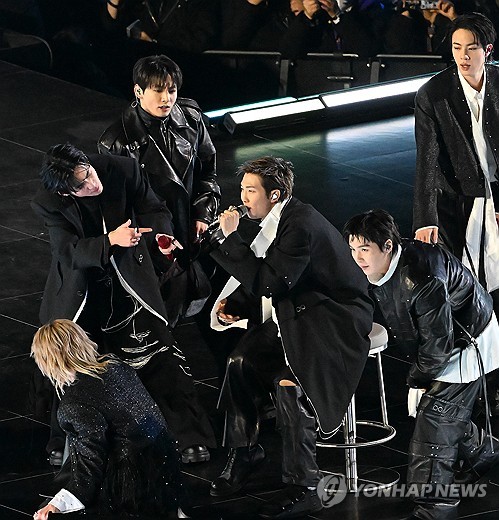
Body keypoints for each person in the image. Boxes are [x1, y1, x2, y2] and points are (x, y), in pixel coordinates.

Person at [206, 156, 373, 519]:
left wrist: (232, 238)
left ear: (275, 195)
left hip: (334, 316)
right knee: (239, 361)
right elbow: (272, 272)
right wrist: (238, 305)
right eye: (243, 189)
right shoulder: (278, 220)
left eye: (251, 191)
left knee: (289, 384)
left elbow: (271, 281)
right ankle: (244, 451)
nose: (243, 198)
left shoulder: (300, 224)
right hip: (299, 307)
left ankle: (305, 486)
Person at [31, 143, 216, 465]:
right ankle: (66, 439)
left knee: (159, 353)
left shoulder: (122, 169)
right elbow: (67, 252)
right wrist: (109, 242)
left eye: (88, 173)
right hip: (81, 289)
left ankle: (190, 437)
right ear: (65, 193)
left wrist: (159, 238)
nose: (93, 184)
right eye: (81, 185)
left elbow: (154, 209)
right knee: (70, 365)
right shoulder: (48, 201)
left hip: (130, 278)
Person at [344, 208, 499, 520]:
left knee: (435, 421)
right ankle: (483, 452)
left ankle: (435, 506)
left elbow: (438, 345)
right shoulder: (390, 265)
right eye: (353, 249)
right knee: (444, 414)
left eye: (365, 249)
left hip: (468, 340)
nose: (357, 257)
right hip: (445, 341)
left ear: (388, 245)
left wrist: (418, 379)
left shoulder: (420, 278)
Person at [98, 54, 221, 325]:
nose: (166, 98)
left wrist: (203, 213)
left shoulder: (191, 118)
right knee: (156, 316)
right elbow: (118, 209)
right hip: (151, 240)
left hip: (189, 228)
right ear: (138, 91)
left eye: (172, 90)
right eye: (158, 90)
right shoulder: (117, 142)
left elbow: (207, 172)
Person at [31, 319, 182, 519]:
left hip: (131, 487)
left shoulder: (74, 403)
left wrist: (58, 505)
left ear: (47, 361)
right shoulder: (115, 366)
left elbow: (92, 459)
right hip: (166, 470)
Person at [412, 12, 499, 318]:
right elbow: (426, 158)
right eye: (457, 47)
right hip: (459, 194)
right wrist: (425, 218)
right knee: (466, 274)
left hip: (495, 186)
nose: (463, 56)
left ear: (487, 50)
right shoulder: (433, 94)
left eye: (471, 48)